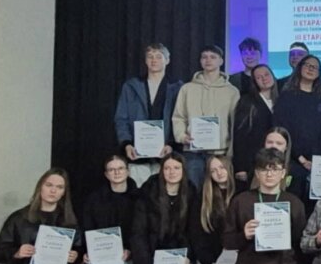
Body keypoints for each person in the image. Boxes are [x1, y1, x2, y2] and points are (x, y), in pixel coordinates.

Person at [222, 148, 307, 264]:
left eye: (275, 169)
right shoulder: (241, 201)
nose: (269, 174)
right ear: (256, 173)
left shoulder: (294, 203)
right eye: (264, 169)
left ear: (283, 173)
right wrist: (244, 235)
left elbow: (301, 243)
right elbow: (227, 241)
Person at [172, 44, 240, 189]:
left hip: (220, 152)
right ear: (200, 61)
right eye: (204, 57)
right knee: (193, 191)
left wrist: (231, 151)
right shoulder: (187, 88)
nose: (208, 60)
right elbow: (179, 117)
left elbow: (235, 124)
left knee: (218, 193)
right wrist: (182, 136)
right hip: (193, 152)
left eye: (213, 57)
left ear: (221, 61)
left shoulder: (232, 91)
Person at [113, 42, 181, 186]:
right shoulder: (131, 86)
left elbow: (181, 119)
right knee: (138, 194)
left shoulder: (178, 87)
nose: (154, 60)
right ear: (145, 60)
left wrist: (172, 144)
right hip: (137, 153)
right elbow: (121, 119)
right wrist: (126, 144)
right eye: (150, 56)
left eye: (158, 56)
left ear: (167, 60)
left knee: (164, 194)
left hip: (166, 155)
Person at [272, 54, 321, 211]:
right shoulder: (286, 97)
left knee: (315, 206)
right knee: (294, 204)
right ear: (299, 68)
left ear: (319, 73)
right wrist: (300, 158)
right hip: (291, 159)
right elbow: (282, 130)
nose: (310, 69)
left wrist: (316, 160)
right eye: (307, 65)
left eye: (315, 67)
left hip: (317, 163)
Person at [231, 64, 278, 184]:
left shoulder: (282, 100)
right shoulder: (247, 101)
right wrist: (240, 167)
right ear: (254, 82)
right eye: (259, 77)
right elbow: (240, 135)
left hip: (277, 160)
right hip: (253, 161)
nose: (264, 79)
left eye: (266, 74)